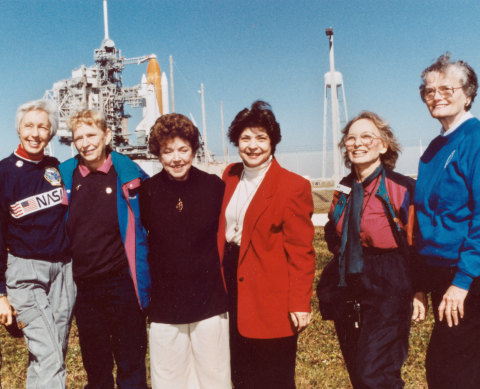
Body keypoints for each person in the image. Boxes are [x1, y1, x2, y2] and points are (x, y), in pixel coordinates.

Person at [319, 111, 425, 388]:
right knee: (358, 371)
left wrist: (418, 289)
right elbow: (332, 230)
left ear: (383, 145)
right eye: (351, 138)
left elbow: (416, 242)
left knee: (376, 373)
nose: (357, 143)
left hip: (389, 281)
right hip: (348, 282)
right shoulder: (343, 187)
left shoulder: (401, 187)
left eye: (367, 136)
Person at [217, 100, 315, 388]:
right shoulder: (230, 176)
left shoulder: (292, 186)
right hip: (230, 285)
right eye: (245, 138)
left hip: (269, 293)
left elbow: (302, 252)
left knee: (273, 375)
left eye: (261, 138)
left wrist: (299, 303)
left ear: (273, 142)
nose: (253, 145)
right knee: (240, 372)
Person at [0, 99, 75, 388]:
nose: (35, 134)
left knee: (51, 352)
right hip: (25, 273)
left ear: (51, 134)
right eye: (29, 126)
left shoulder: (55, 168)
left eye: (42, 128)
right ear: (19, 129)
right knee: (50, 356)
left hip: (64, 272)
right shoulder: (3, 172)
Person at [58, 109, 150, 389]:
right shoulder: (65, 176)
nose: (85, 143)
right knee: (96, 366)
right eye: (79, 137)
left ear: (107, 135)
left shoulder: (129, 174)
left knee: (130, 362)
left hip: (123, 283)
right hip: (85, 287)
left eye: (91, 135)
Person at [139, 113, 231, 389]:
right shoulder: (147, 192)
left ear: (193, 150)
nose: (176, 158)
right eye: (168, 151)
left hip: (209, 302)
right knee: (169, 379)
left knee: (214, 377)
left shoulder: (214, 187)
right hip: (165, 305)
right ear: (158, 154)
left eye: (183, 150)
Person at [415, 53, 480, 388]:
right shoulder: (433, 149)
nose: (435, 96)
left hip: (468, 276)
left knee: (450, 370)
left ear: (468, 94)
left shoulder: (475, 140)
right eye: (428, 91)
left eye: (445, 88)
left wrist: (463, 281)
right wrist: (419, 285)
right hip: (440, 274)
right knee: (445, 368)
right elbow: (423, 218)